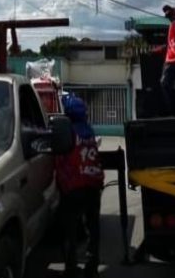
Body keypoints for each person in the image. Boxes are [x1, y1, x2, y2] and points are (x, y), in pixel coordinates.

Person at [55, 94, 103, 278]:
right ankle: (92, 267)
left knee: (70, 230)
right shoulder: (88, 131)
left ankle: (71, 268)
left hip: (74, 187)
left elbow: (61, 160)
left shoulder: (67, 132)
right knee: (93, 228)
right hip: (93, 185)